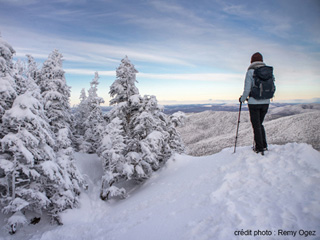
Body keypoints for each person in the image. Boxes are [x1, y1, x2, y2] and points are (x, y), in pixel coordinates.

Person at [239, 52, 270, 155]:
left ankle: (259, 148)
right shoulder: (268, 72)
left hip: (254, 103)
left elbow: (247, 89)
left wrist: (242, 99)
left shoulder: (250, 72)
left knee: (256, 125)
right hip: (266, 102)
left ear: (252, 61)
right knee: (260, 124)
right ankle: (264, 145)